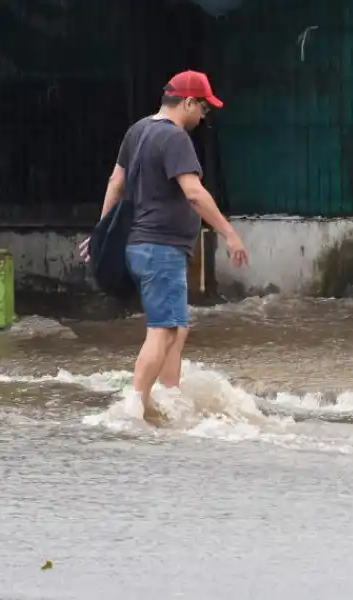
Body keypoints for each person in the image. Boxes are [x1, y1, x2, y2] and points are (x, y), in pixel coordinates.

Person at [80, 70, 249, 421]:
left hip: (140, 247)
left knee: (176, 326)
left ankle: (170, 396)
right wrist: (229, 233)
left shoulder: (138, 130)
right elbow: (194, 193)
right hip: (161, 249)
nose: (203, 116)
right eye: (202, 107)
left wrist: (101, 233)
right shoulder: (175, 138)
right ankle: (135, 405)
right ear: (186, 102)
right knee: (163, 330)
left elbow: (115, 182)